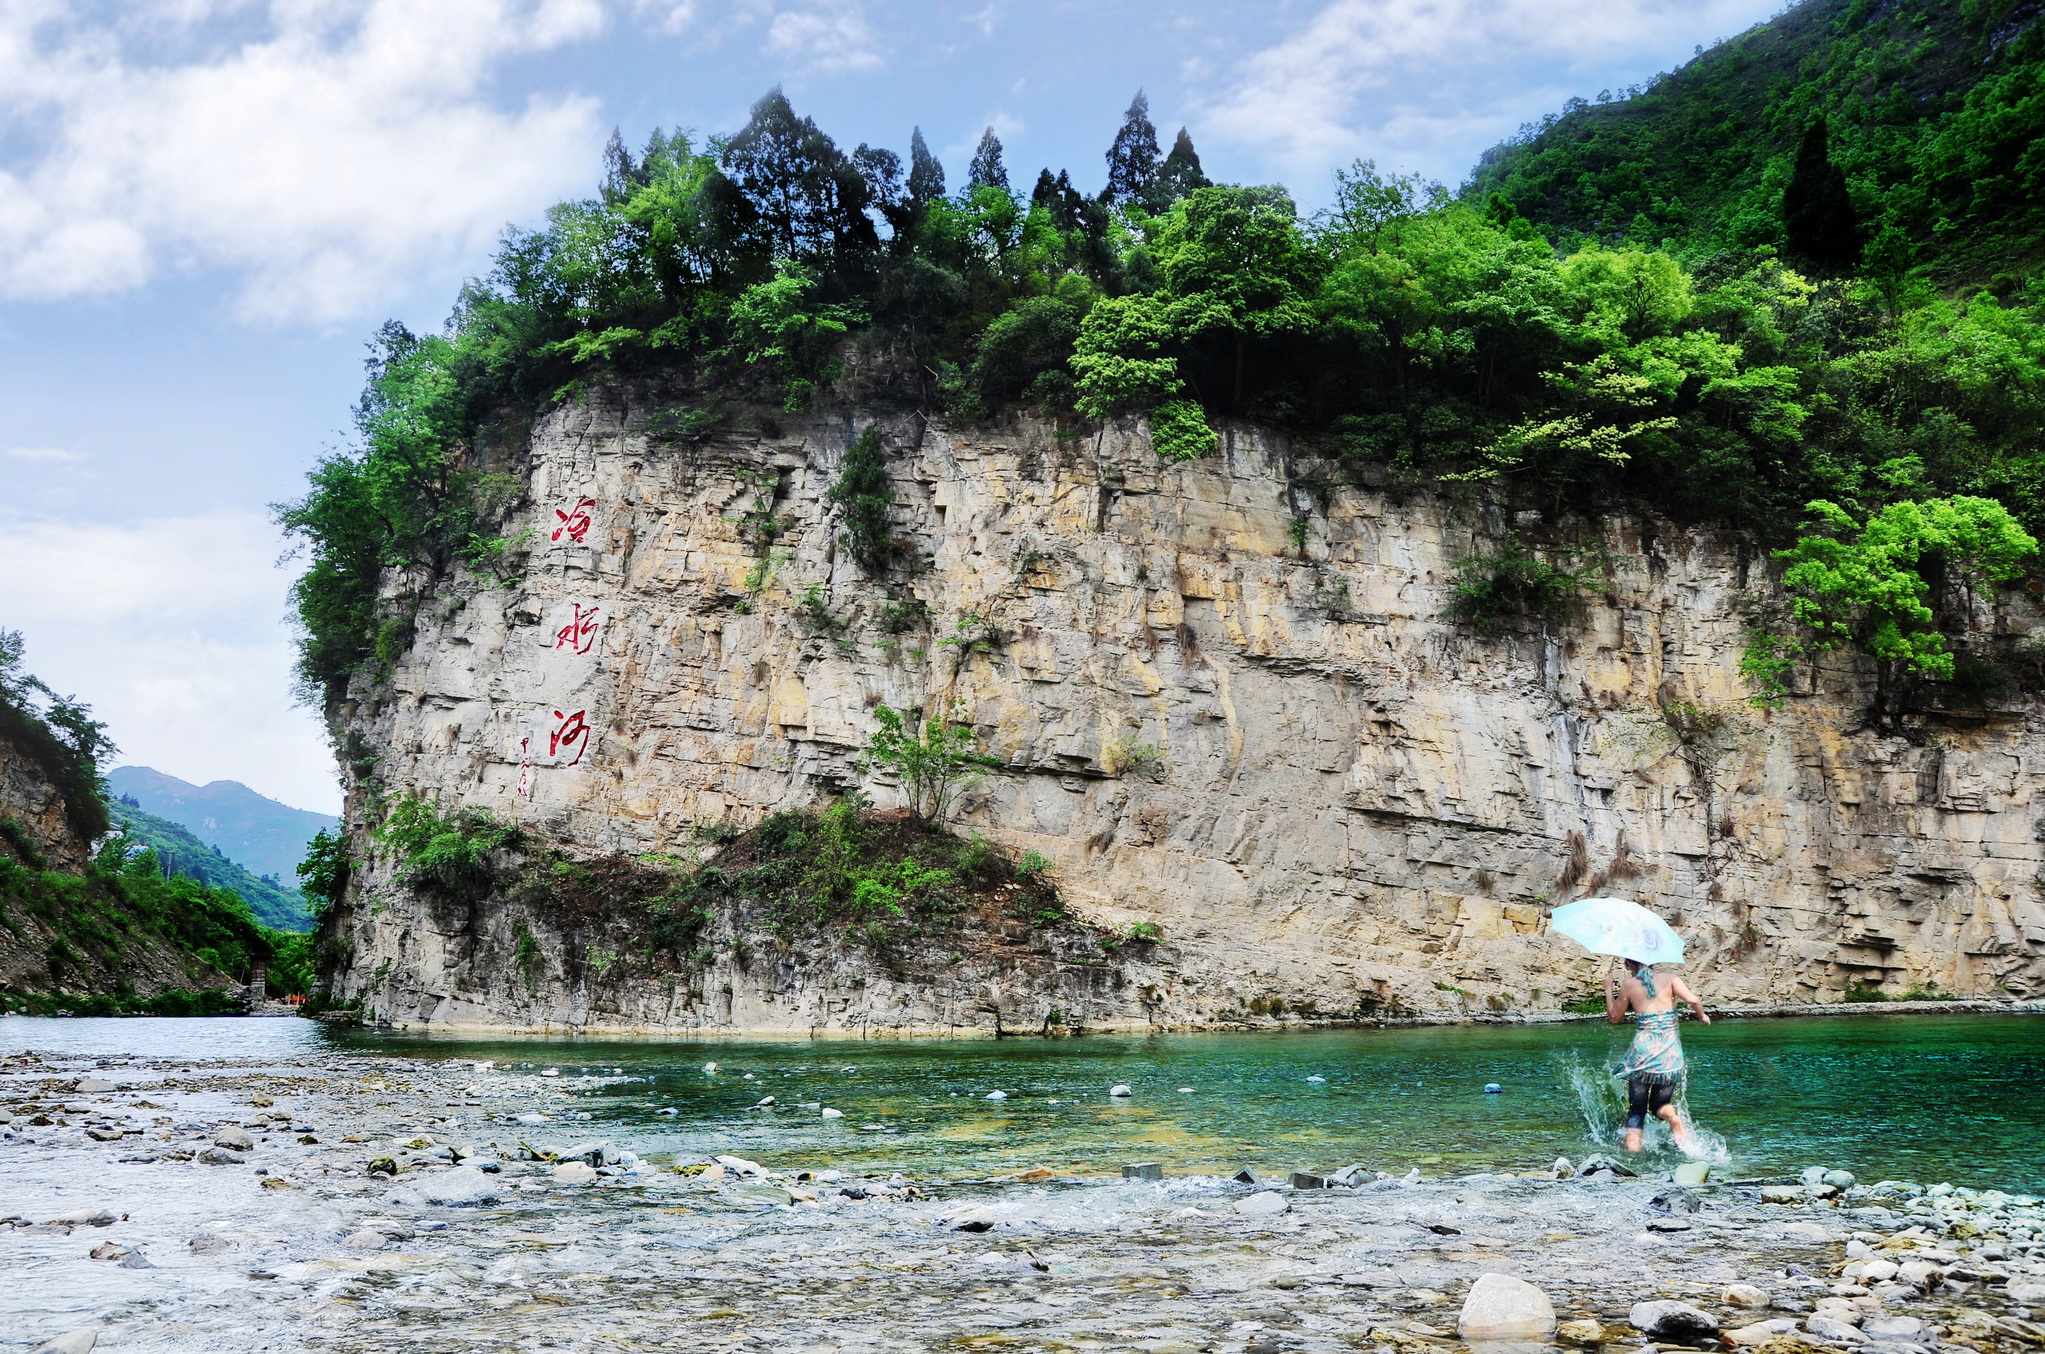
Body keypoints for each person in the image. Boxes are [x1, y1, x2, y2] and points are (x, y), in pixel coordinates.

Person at [1605, 958, 1709, 1153]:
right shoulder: (1671, 978)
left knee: (1637, 1110)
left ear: (1629, 965)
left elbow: (1614, 1018)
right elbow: (1694, 1000)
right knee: (1660, 1105)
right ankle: (1673, 1119)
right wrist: (1702, 1016)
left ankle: (1633, 1159)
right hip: (1670, 1056)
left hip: (1643, 1057)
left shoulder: (1629, 985)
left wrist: (1608, 988)